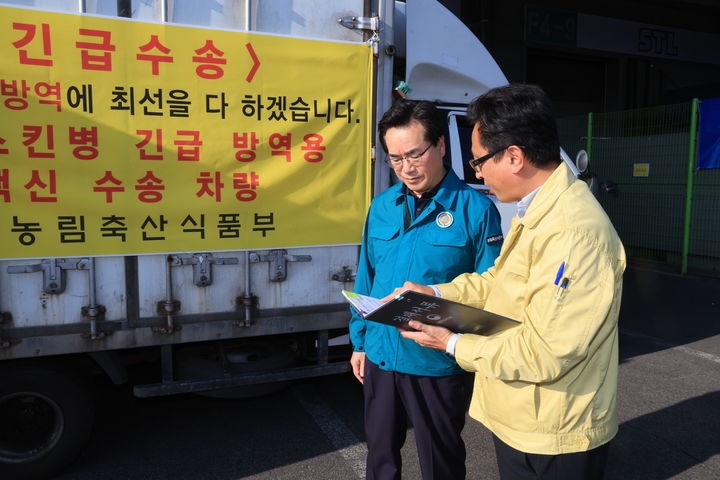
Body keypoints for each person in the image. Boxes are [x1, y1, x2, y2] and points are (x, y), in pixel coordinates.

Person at [396, 84, 626, 480]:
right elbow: (498, 280)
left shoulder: (573, 232)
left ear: (515, 156)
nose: (477, 172)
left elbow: (547, 352)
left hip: (556, 430)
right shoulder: (536, 210)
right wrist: (434, 293)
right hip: (527, 418)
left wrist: (451, 342)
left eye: (479, 161)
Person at [349, 100, 503, 480]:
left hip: (436, 360)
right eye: (395, 158)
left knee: (441, 460)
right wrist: (360, 342)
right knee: (380, 456)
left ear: (441, 146)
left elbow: (492, 292)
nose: (406, 167)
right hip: (382, 354)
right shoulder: (382, 207)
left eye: (415, 154)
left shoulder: (475, 209)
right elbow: (366, 277)